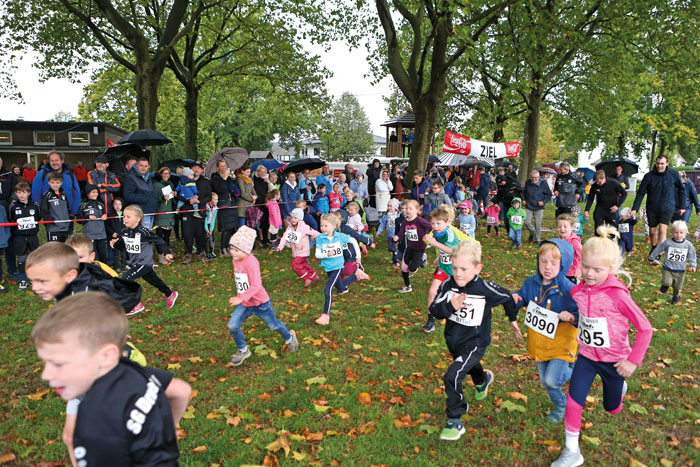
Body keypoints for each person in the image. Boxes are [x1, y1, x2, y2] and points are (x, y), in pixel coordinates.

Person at [32, 292, 191, 465]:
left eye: (59, 364)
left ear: (107, 356)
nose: (45, 375)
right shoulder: (130, 368)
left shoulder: (94, 426)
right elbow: (182, 391)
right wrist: (168, 431)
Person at [551, 226, 653, 467]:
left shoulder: (618, 296)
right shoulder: (577, 291)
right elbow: (586, 317)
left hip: (615, 361)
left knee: (612, 408)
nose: (589, 273)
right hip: (585, 357)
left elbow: (645, 328)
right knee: (574, 401)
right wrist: (573, 317)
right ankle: (572, 451)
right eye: (585, 266)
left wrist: (632, 361)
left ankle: (619, 388)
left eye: (597, 269)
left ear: (612, 269)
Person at [428, 240, 517, 441]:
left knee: (453, 375)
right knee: (466, 365)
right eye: (455, 267)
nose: (458, 273)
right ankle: (482, 379)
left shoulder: (484, 288)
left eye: (464, 269)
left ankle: (455, 418)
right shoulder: (447, 285)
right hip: (454, 340)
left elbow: (509, 297)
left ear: (477, 268)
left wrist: (512, 319)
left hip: (476, 342)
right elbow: (434, 310)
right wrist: (450, 306)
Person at [510, 240, 579, 424]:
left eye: (553, 263)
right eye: (543, 261)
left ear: (563, 264)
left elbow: (583, 314)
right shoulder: (531, 283)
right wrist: (515, 300)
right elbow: (522, 297)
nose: (547, 267)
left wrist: (572, 317)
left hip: (562, 344)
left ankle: (562, 404)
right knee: (545, 381)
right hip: (539, 343)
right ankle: (569, 376)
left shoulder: (568, 290)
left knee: (551, 380)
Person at [227, 226, 299, 365]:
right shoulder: (236, 259)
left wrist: (241, 297)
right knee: (232, 325)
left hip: (260, 303)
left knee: (274, 325)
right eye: (231, 249)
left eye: (236, 250)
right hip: (245, 304)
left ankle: (290, 338)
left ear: (246, 250)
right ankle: (243, 350)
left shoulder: (252, 262)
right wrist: (241, 298)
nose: (232, 253)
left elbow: (256, 285)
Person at [25, 241, 142, 312]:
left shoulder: (90, 294)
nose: (34, 288)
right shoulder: (66, 288)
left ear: (69, 276)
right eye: (32, 281)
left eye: (42, 281)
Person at [109, 205, 179, 313]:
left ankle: (135, 304)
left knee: (125, 280)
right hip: (135, 263)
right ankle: (170, 294)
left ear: (138, 219)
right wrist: (115, 244)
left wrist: (166, 252)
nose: (125, 219)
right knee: (154, 280)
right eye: (124, 216)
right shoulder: (124, 232)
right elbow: (122, 245)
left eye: (128, 217)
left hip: (143, 263)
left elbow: (159, 241)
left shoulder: (144, 232)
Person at [422, 205, 475, 333]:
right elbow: (443, 247)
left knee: (460, 296)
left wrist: (434, 243)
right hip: (444, 268)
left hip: (457, 270)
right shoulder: (437, 232)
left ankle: (468, 321)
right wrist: (439, 257)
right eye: (433, 223)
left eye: (438, 223)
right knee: (432, 291)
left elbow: (453, 251)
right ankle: (431, 320)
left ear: (447, 222)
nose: (435, 226)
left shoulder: (450, 233)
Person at [314, 213, 370, 325]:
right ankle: (357, 276)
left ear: (334, 226)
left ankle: (325, 316)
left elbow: (353, 241)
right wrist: (326, 254)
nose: (323, 228)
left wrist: (358, 256)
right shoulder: (320, 238)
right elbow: (317, 254)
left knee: (328, 289)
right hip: (328, 267)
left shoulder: (340, 236)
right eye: (321, 226)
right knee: (340, 286)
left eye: (326, 226)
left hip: (338, 266)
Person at [631, 155, 686, 262]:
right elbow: (641, 193)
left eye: (662, 163)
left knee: (662, 230)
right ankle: (654, 247)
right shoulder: (648, 176)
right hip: (652, 208)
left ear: (667, 163)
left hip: (668, 207)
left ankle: (658, 254)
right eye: (658, 163)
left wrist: (682, 206)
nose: (660, 166)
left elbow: (681, 190)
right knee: (652, 231)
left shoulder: (673, 174)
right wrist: (635, 208)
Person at [649, 220, 696, 304]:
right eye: (676, 232)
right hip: (668, 268)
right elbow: (658, 249)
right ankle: (665, 285)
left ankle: (676, 297)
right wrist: (652, 257)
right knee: (667, 281)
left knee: (677, 286)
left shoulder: (688, 245)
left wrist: (693, 264)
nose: (678, 235)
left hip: (680, 270)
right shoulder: (668, 243)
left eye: (681, 233)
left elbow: (692, 255)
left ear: (685, 233)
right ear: (671, 232)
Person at [394, 199, 432, 293]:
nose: (407, 210)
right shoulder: (405, 222)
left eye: (410, 208)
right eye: (406, 208)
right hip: (410, 247)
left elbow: (431, 227)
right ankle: (407, 286)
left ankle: (422, 258)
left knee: (412, 269)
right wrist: (397, 238)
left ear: (416, 210)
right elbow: (401, 233)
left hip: (420, 247)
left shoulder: (420, 220)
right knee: (404, 268)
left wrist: (428, 236)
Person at [276, 208, 320, 287]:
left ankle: (307, 278)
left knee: (295, 264)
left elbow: (315, 232)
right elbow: (284, 237)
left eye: (295, 218)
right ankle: (314, 275)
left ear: (300, 219)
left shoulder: (304, 227)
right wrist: (280, 247)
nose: (293, 220)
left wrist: (316, 237)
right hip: (296, 251)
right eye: (292, 217)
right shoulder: (290, 228)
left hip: (303, 250)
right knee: (304, 264)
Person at [178, 162, 211, 264]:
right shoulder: (183, 180)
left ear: (202, 170)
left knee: (200, 233)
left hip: (200, 211)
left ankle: (202, 253)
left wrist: (199, 201)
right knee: (187, 233)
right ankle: (188, 254)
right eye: (194, 168)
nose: (196, 170)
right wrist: (188, 201)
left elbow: (209, 196)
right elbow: (178, 195)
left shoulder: (205, 182)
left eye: (199, 168)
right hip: (187, 211)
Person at [9, 182, 41, 289]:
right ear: (16, 194)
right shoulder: (13, 207)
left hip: (32, 236)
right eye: (19, 193)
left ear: (29, 193)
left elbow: (38, 217)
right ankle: (23, 280)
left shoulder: (35, 205)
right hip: (19, 237)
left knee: (33, 258)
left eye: (24, 192)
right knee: (22, 258)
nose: (21, 195)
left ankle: (33, 278)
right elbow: (10, 219)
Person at [31, 151, 81, 216]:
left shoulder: (70, 174)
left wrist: (74, 210)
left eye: (57, 160)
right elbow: (35, 194)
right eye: (52, 161)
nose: (54, 163)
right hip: (50, 213)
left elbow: (76, 193)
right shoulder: (41, 174)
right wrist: (42, 211)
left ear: (62, 161)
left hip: (67, 212)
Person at [210, 160, 238, 256]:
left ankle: (227, 246)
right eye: (221, 166)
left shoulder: (229, 177)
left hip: (231, 203)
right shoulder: (215, 177)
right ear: (217, 168)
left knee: (231, 227)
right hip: (223, 204)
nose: (223, 168)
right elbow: (220, 189)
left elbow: (232, 188)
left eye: (224, 166)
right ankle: (222, 249)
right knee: (226, 227)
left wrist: (233, 179)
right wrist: (225, 178)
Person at [123, 157, 158, 230]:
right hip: (140, 213)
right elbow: (128, 196)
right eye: (141, 165)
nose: (143, 168)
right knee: (142, 236)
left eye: (145, 166)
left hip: (150, 211)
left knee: (147, 235)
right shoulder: (130, 177)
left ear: (149, 167)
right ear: (137, 165)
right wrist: (144, 198)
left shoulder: (148, 177)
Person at [77, 184, 108, 263]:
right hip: (90, 235)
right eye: (93, 192)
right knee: (91, 255)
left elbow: (105, 215)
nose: (95, 194)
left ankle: (103, 271)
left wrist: (105, 215)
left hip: (101, 235)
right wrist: (88, 217)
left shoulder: (101, 205)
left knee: (103, 255)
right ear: (88, 193)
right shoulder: (83, 206)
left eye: (97, 192)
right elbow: (79, 220)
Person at [152, 167, 177, 261]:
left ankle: (167, 252)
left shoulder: (171, 184)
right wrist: (162, 198)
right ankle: (160, 254)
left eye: (168, 173)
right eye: (164, 173)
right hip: (161, 212)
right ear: (161, 174)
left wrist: (175, 194)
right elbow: (154, 198)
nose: (166, 175)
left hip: (170, 213)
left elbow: (174, 198)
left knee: (167, 235)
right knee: (159, 235)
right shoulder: (156, 185)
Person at [40, 171, 71, 242]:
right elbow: (44, 210)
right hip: (53, 228)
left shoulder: (64, 195)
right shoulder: (47, 195)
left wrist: (68, 218)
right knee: (54, 249)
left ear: (61, 183)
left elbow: (67, 208)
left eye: (57, 182)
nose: (55, 185)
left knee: (65, 249)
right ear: (49, 183)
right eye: (53, 182)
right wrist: (50, 220)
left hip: (65, 227)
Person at [522, 170, 552, 244]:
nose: (534, 179)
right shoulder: (528, 182)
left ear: (539, 177)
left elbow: (549, 194)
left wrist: (543, 201)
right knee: (526, 221)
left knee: (537, 224)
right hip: (529, 205)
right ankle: (533, 233)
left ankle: (538, 239)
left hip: (539, 207)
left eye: (536, 177)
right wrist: (524, 199)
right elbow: (524, 192)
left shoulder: (543, 183)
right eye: (532, 177)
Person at [556, 214, 582, 283]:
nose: (562, 229)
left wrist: (578, 268)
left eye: (565, 226)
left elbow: (582, 256)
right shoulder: (557, 241)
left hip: (571, 273)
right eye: (559, 226)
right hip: (559, 272)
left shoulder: (575, 242)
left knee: (570, 291)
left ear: (572, 227)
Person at [377, 198, 400, 267]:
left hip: (398, 235)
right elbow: (382, 224)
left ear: (395, 207)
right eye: (388, 206)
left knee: (397, 248)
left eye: (391, 206)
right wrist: (379, 232)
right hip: (390, 235)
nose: (389, 208)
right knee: (393, 249)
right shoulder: (386, 216)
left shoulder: (399, 215)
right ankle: (396, 258)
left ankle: (396, 261)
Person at [107, 198, 128, 273]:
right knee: (116, 253)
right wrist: (112, 232)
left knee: (124, 252)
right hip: (115, 237)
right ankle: (116, 267)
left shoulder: (125, 214)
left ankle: (124, 265)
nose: (118, 206)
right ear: (113, 205)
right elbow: (107, 226)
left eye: (120, 204)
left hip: (123, 237)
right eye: (116, 204)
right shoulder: (110, 215)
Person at [253, 165, 270, 245]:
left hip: (265, 204)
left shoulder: (266, 181)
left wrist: (268, 182)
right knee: (255, 223)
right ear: (258, 172)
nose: (262, 173)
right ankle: (257, 239)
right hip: (257, 204)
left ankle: (265, 240)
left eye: (264, 172)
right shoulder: (254, 180)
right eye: (261, 172)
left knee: (265, 223)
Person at [204, 192, 219, 259]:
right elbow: (205, 218)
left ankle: (211, 251)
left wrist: (211, 229)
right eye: (215, 199)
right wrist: (207, 229)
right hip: (205, 223)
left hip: (210, 224)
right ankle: (205, 252)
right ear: (210, 199)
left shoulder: (216, 208)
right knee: (205, 238)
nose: (217, 201)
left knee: (211, 238)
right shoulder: (205, 207)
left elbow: (213, 219)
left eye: (217, 199)